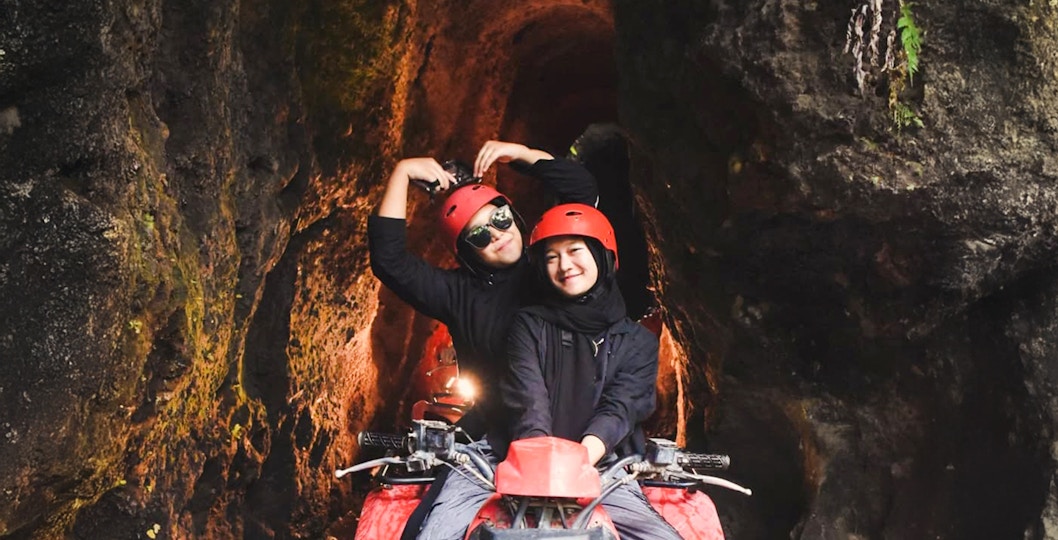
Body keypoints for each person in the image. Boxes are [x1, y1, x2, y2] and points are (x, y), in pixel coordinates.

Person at [367, 140, 598, 539]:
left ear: (515, 215)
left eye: (502, 219)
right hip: (495, 439)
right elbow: (389, 260)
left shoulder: (551, 264)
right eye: (478, 235)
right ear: (465, 251)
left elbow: (582, 196)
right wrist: (402, 172)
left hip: (580, 436)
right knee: (429, 531)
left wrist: (522, 155)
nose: (497, 235)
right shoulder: (458, 293)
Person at [499, 203, 682, 539]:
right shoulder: (529, 325)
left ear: (601, 255)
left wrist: (577, 465)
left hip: (605, 469)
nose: (564, 265)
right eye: (551, 257)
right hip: (523, 466)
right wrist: (544, 470)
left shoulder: (638, 341)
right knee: (437, 528)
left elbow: (620, 408)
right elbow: (528, 399)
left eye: (574, 250)